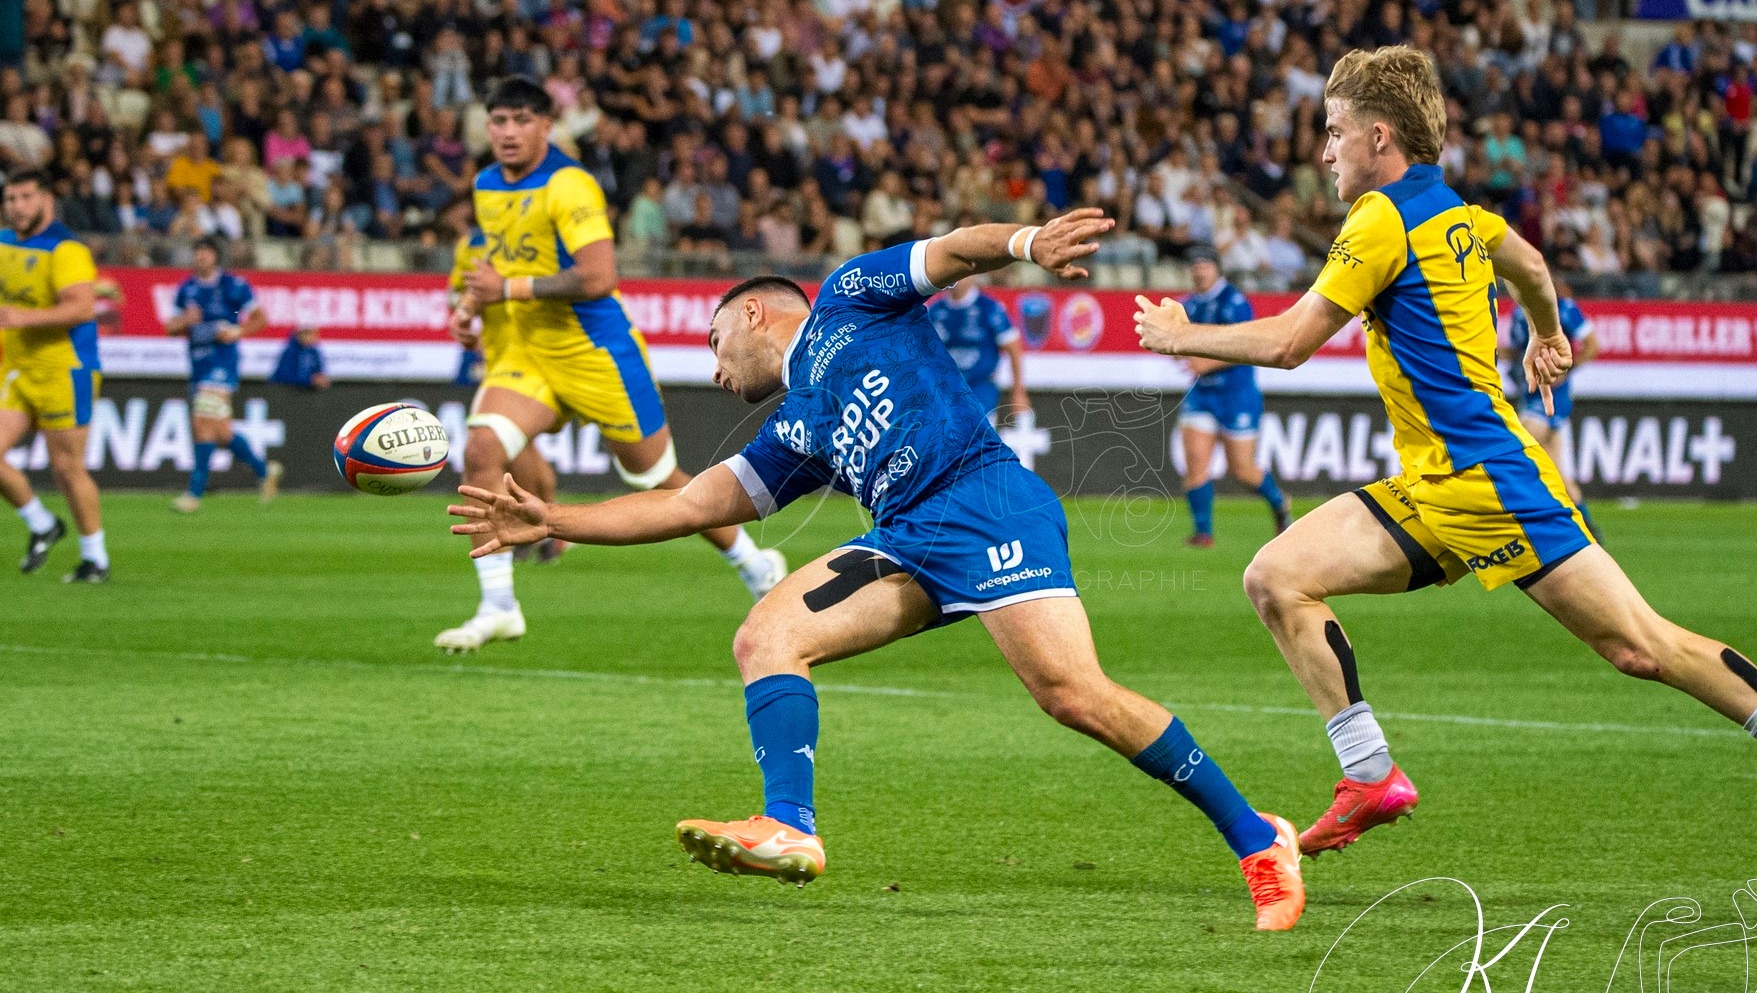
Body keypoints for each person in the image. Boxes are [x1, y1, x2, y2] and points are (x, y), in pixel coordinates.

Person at [1133, 47, 1757, 883]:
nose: (1324, 152)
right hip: (1431, 488)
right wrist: (1546, 335)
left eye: (1334, 132)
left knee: (1644, 647)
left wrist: (1183, 338)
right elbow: (1529, 264)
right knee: (1277, 577)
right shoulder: (1461, 215)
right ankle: (1371, 775)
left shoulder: (1384, 219)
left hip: (1492, 482)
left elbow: (1289, 343)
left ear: (1378, 137)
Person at [449, 210, 1309, 931]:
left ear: (755, 316)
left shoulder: (853, 296)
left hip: (986, 503)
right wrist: (554, 519)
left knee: (1073, 695)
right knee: (767, 633)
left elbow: (953, 252)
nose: (715, 369)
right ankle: (790, 826)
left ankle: (1257, 838)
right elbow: (686, 506)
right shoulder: (796, 429)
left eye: (715, 343)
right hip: (904, 539)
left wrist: (1027, 244)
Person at [442, 77, 785, 653]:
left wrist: (509, 288)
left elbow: (599, 277)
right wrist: (472, 305)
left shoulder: (569, 185)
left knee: (662, 485)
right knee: (480, 451)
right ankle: (498, 605)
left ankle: (753, 563)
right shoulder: (484, 185)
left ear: (546, 125)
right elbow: (502, 261)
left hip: (598, 356)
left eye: (520, 120)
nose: (506, 132)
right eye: (497, 120)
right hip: (528, 355)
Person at [0, 170, 108, 582]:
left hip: (65, 369)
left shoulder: (66, 249)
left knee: (66, 468)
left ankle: (94, 557)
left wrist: (23, 318)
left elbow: (81, 308)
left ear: (46, 199)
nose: (16, 206)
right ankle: (42, 523)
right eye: (10, 198)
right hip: (17, 369)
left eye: (25, 197)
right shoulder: (5, 241)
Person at [447, 220, 564, 564]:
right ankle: (540, 528)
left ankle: (544, 525)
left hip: (547, 354)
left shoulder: (545, 235)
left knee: (502, 445)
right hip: (500, 356)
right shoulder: (470, 245)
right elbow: (456, 291)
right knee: (514, 446)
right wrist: (466, 309)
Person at [1174, 246, 1290, 546]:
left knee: (1243, 470)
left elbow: (1247, 345)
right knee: (1196, 464)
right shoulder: (1188, 305)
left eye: (1204, 265)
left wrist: (1204, 362)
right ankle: (1203, 533)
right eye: (1195, 266)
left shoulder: (1234, 301)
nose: (1199, 271)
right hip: (1202, 395)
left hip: (1237, 395)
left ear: (1217, 269)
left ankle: (1279, 502)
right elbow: (1178, 341)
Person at [165, 238, 283, 513]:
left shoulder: (233, 285)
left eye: (205, 252)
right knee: (220, 432)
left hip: (222, 363)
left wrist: (237, 332)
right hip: (198, 364)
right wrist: (185, 321)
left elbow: (260, 318)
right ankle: (265, 470)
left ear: (216, 256)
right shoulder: (187, 289)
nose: (200, 257)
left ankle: (194, 493)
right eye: (197, 252)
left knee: (201, 423)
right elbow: (170, 327)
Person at [1501, 281, 1601, 540]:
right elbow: (1518, 351)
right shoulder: (1518, 313)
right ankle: (1589, 533)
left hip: (1552, 396)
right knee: (1559, 476)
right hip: (1529, 393)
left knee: (1518, 438)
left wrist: (1566, 370)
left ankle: (1514, 517)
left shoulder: (1562, 309)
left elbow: (1591, 344)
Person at [926, 275, 1028, 424]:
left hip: (980, 389)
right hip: (946, 390)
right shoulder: (935, 311)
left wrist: (1018, 391)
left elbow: (1013, 348)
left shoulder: (989, 308)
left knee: (978, 440)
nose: (956, 280)